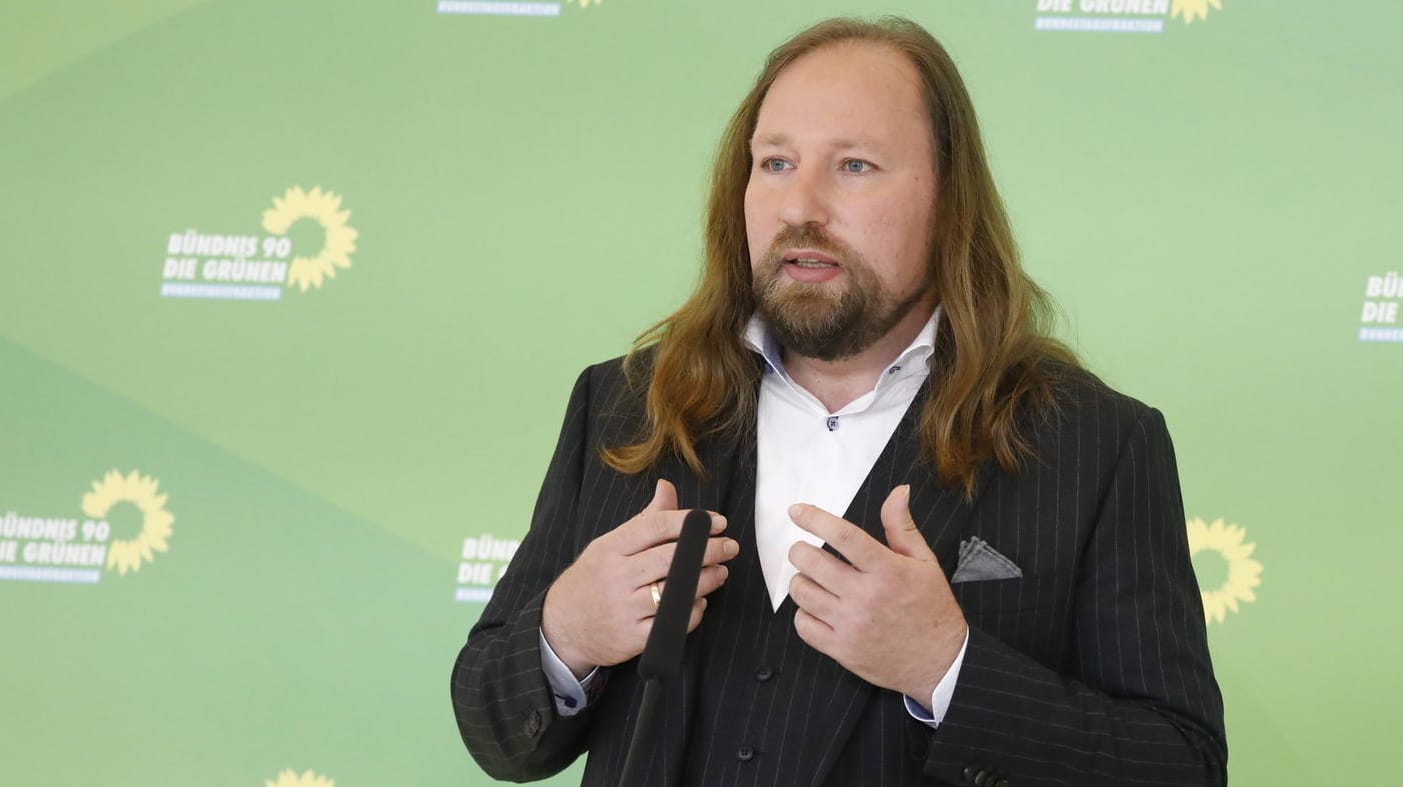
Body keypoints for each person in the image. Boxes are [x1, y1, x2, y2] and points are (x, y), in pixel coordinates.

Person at [450, 16, 1227, 787]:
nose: (801, 206)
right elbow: (497, 732)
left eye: (853, 165)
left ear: (947, 197)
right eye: (776, 162)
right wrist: (567, 632)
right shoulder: (623, 405)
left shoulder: (1095, 443)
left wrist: (946, 667)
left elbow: (1180, 764)